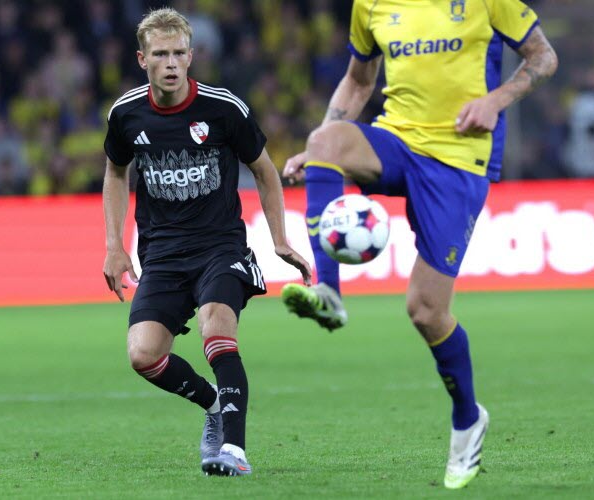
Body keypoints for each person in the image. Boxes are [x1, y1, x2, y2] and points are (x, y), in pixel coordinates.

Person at [280, 0, 557, 490]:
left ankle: (468, 418)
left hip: (458, 158)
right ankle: (329, 293)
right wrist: (323, 139)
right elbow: (359, 81)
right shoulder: (370, 5)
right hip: (397, 139)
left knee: (426, 311)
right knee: (325, 142)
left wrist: (495, 100)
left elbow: (543, 57)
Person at [101, 8, 312, 477]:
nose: (171, 62)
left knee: (217, 329)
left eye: (179, 53)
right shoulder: (126, 114)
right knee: (143, 354)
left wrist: (278, 239)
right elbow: (116, 172)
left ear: (191, 55)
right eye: (161, 54)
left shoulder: (223, 108)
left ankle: (233, 451)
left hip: (220, 246)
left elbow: (264, 170)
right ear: (142, 59)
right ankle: (216, 405)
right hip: (162, 254)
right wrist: (115, 246)